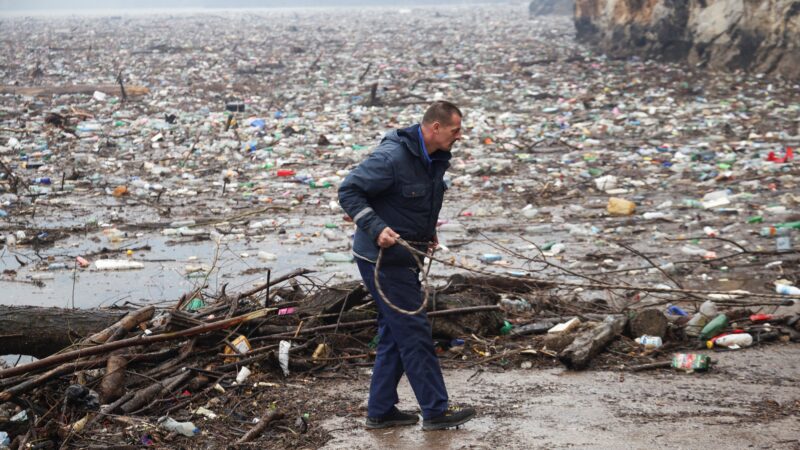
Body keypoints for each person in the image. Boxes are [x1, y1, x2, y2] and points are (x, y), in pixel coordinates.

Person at [338, 101, 476, 431]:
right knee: (414, 332)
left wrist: (425, 234)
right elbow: (349, 190)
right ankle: (436, 410)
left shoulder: (433, 159)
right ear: (436, 128)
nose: (460, 136)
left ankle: (381, 411)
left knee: (394, 333)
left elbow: (417, 201)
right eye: (456, 130)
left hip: (407, 257)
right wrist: (376, 227)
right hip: (382, 261)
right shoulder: (392, 158)